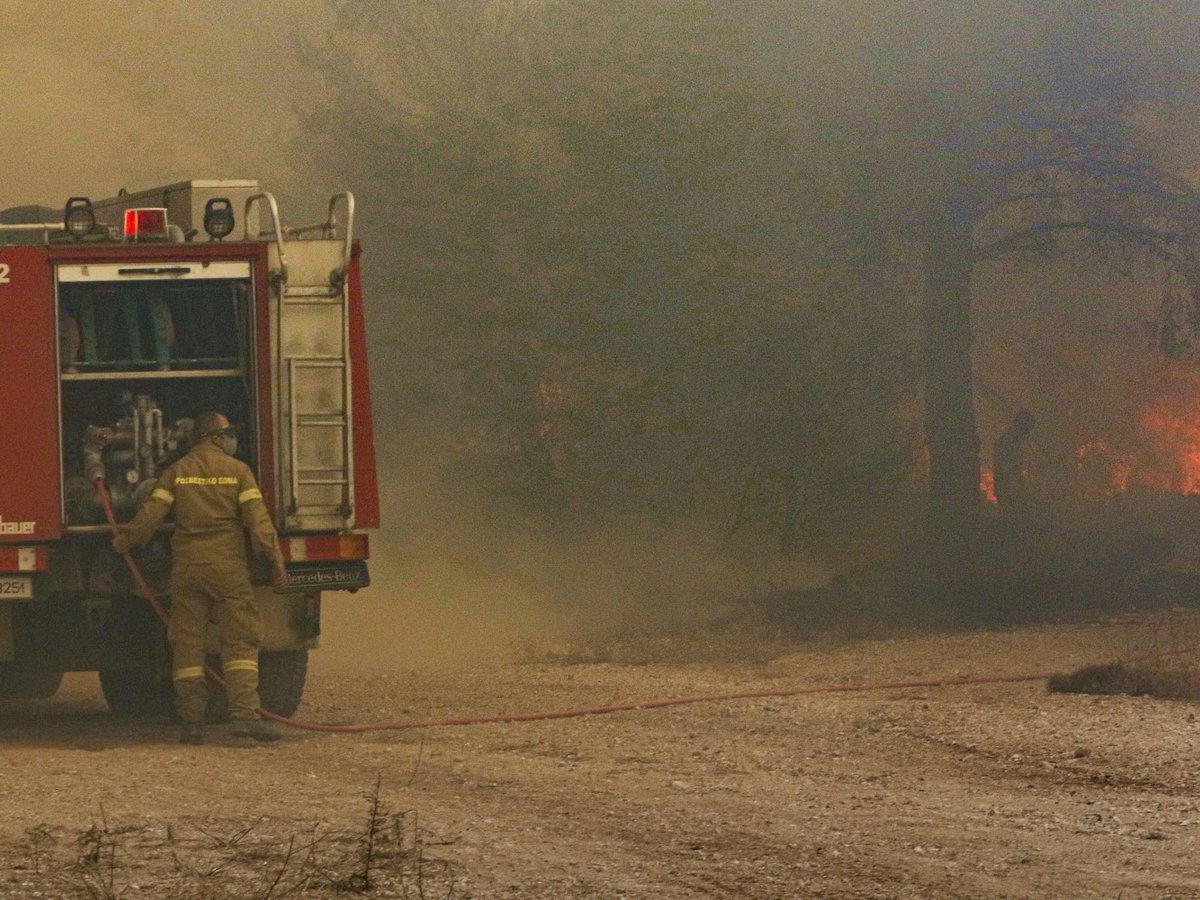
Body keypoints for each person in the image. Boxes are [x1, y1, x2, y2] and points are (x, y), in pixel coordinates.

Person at [113, 412, 288, 745]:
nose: (233, 439)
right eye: (229, 433)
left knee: (187, 645)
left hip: (188, 570)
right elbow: (259, 523)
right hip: (228, 569)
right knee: (240, 641)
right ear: (216, 437)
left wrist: (126, 541)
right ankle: (244, 717)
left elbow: (151, 515)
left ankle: (192, 724)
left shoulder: (176, 472)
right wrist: (276, 562)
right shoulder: (238, 471)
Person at [992, 409, 1036, 510]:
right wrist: (1020, 488)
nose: (1029, 432)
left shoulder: (1011, 441)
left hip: (1010, 490)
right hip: (1010, 491)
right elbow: (1008, 469)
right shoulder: (1008, 442)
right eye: (1028, 428)